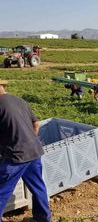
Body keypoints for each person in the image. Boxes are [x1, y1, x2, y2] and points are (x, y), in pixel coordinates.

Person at [0, 80, 52, 222]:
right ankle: (43, 218)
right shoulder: (19, 100)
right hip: (34, 151)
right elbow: (36, 124)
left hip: (16, 156)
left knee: (2, 190)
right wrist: (29, 142)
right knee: (38, 186)